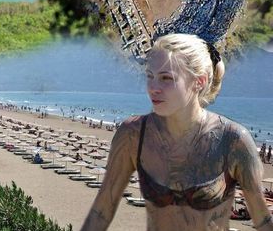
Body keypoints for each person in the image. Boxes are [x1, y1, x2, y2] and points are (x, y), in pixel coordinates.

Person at [82, 34, 272, 230]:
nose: (153, 88)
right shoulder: (134, 134)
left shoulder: (232, 139)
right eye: (150, 76)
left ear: (199, 81)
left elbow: (263, 220)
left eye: (166, 78)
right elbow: (101, 212)